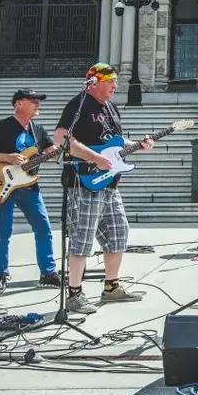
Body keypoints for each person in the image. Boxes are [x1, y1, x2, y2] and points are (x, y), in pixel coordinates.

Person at [53, 63, 153, 314]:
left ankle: (111, 287)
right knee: (82, 238)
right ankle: (75, 294)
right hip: (84, 181)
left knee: (119, 232)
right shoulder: (79, 103)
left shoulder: (111, 107)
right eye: (110, 82)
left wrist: (138, 145)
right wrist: (93, 158)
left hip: (109, 183)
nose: (115, 87)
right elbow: (61, 138)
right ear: (94, 83)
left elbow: (113, 143)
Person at [0, 89, 61, 294]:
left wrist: (60, 151)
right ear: (19, 103)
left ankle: (48, 272)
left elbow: (51, 152)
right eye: (33, 101)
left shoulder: (38, 129)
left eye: (38, 101)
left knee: (44, 229)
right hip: (3, 185)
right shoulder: (3, 126)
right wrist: (8, 157)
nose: (38, 105)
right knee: (3, 231)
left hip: (29, 186)